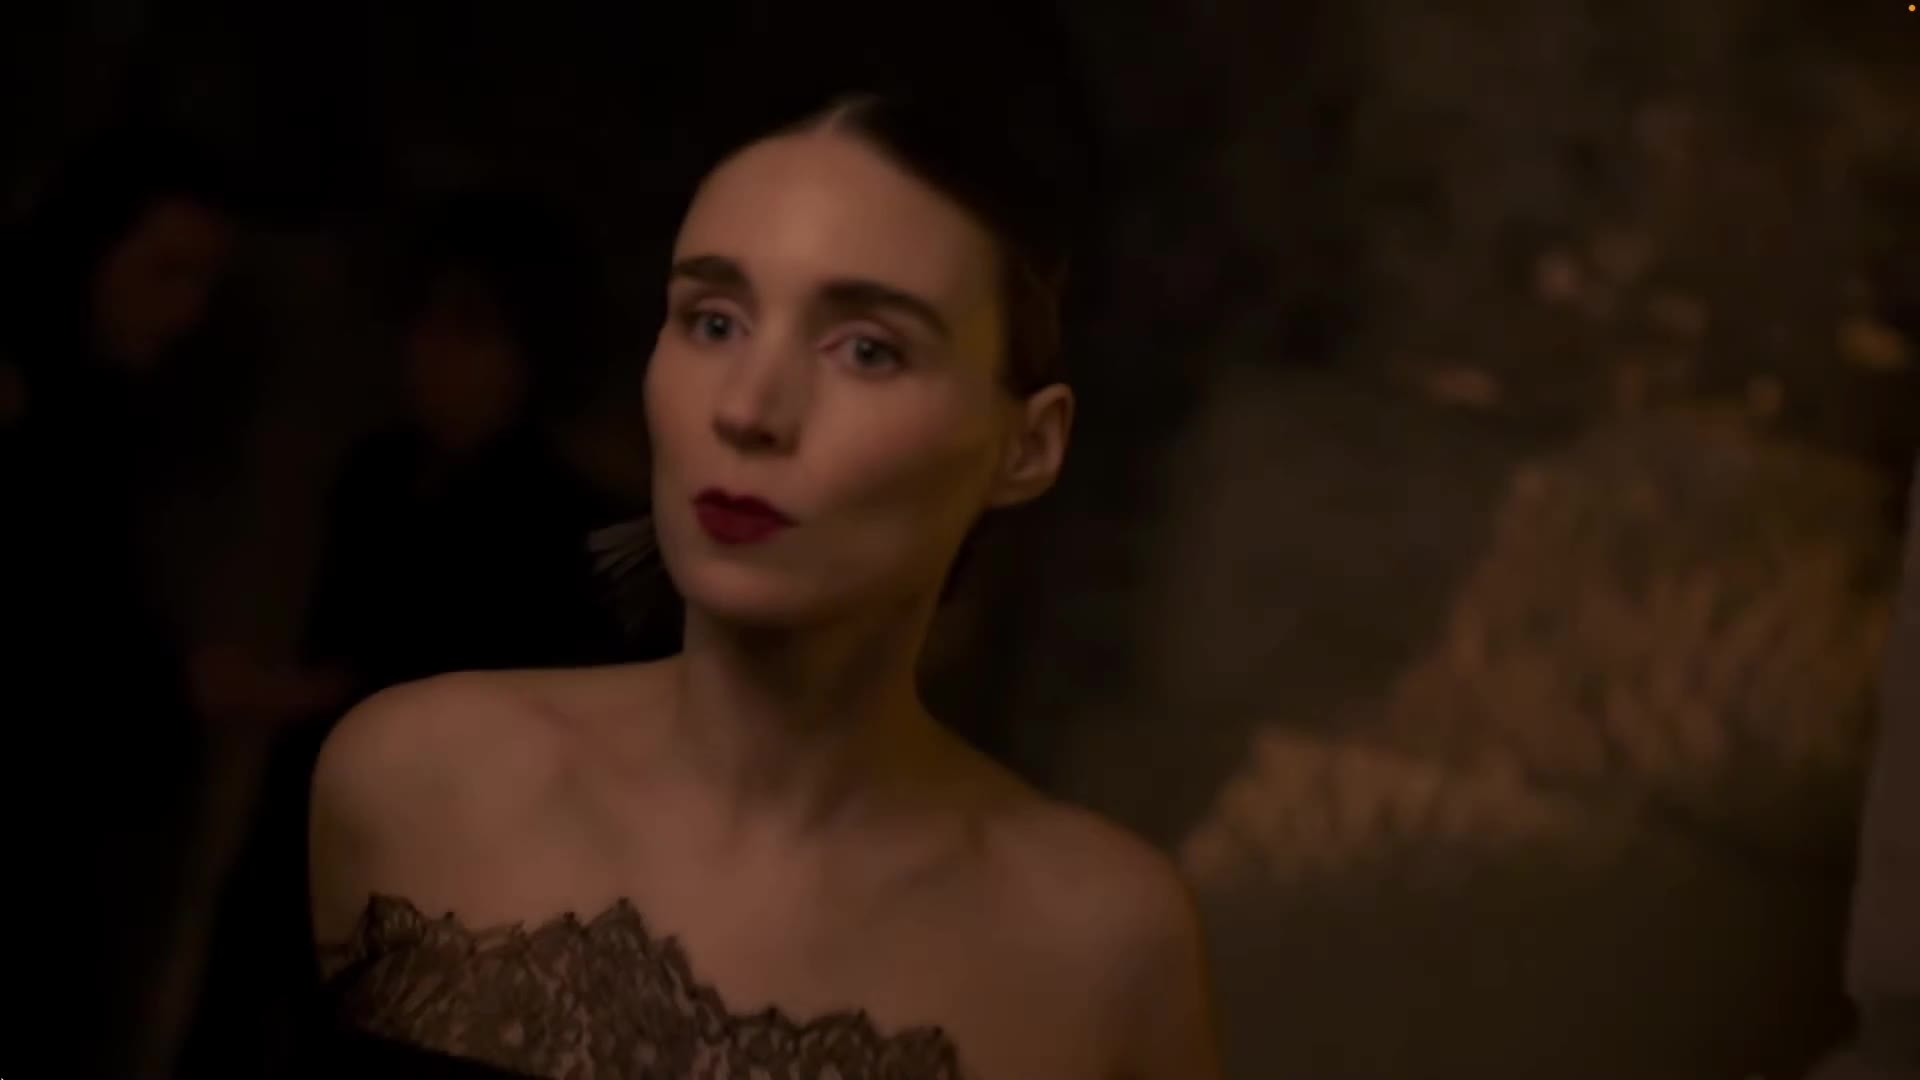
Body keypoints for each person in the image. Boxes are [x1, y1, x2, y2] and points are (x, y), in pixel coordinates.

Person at [307, 91, 1222, 1079]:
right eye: (713, 322)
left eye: (868, 349)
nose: (748, 409)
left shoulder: (1103, 946)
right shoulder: (416, 777)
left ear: (1027, 445)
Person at [0, 126, 344, 1076]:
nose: (186, 312)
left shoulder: (105, 415)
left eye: (202, 283)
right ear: (89, 252)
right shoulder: (34, 398)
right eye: (165, 273)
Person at [301, 191, 673, 702]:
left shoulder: (567, 527)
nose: (431, 347)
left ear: (529, 353)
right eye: (423, 317)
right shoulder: (375, 474)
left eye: (469, 329)